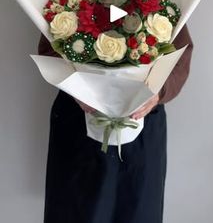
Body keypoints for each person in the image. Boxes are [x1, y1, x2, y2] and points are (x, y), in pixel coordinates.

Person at [38, 24, 193, 223]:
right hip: (79, 119)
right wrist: (76, 88)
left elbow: (180, 51)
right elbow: (50, 47)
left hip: (141, 124)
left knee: (138, 210)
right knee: (75, 211)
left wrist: (158, 92)